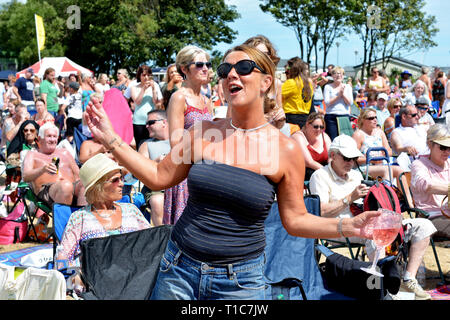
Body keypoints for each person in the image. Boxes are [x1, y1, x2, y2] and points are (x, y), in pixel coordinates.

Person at [83, 44, 381, 300]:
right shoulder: (203, 132)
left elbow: (295, 219)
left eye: (244, 67)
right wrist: (111, 139)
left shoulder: (285, 149)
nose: (231, 75)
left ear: (266, 82)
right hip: (178, 269)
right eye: (225, 70)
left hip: (240, 282)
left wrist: (349, 227)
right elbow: (159, 176)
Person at [309, 134, 435, 300]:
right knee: (377, 235)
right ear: (332, 155)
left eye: (353, 159)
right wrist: (349, 198)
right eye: (347, 158)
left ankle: (408, 279)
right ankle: (381, 289)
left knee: (423, 225)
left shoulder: (355, 175)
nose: (351, 163)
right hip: (338, 228)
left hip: (365, 224)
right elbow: (320, 212)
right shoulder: (319, 176)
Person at [55, 153, 151, 291]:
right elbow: (62, 256)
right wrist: (73, 278)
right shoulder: (80, 218)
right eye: (115, 180)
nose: (122, 184)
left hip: (135, 281)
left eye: (122, 178)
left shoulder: (132, 210)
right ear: (98, 186)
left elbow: (151, 242)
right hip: (97, 286)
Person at [163, 45, 213, 226]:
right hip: (185, 173)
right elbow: (175, 141)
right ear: (184, 69)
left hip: (206, 169)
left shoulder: (208, 101)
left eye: (207, 64)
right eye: (199, 64)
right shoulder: (179, 98)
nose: (205, 68)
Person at [22, 122, 87, 208]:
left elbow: (78, 175)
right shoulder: (32, 154)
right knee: (65, 186)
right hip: (47, 192)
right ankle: (64, 220)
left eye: (54, 136)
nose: (52, 140)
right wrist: (43, 169)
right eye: (49, 136)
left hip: (71, 187)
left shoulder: (65, 152)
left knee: (84, 184)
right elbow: (25, 176)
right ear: (40, 138)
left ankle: (83, 218)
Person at [411, 124, 450, 238]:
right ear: (429, 144)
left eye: (449, 148)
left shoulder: (449, 164)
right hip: (431, 217)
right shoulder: (419, 165)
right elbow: (428, 186)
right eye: (442, 147)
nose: (446, 152)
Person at [138, 110, 171, 226]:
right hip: (156, 189)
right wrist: (155, 162)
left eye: (151, 122)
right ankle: (162, 238)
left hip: (180, 186)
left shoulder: (179, 140)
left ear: (164, 122)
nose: (146, 126)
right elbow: (139, 171)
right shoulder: (146, 145)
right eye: (146, 123)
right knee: (157, 201)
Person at [352, 108, 403, 181]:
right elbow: (353, 158)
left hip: (381, 164)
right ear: (363, 120)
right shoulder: (358, 135)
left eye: (376, 117)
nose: (375, 120)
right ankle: (387, 192)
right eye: (371, 118)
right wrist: (372, 160)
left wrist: (382, 155)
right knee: (386, 170)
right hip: (365, 167)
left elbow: (390, 152)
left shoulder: (380, 132)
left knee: (399, 170)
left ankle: (404, 192)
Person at [291, 112, 331, 181]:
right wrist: (328, 172)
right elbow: (309, 162)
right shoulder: (298, 137)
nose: (319, 130)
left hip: (322, 172)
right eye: (315, 127)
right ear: (307, 124)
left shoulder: (324, 136)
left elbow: (331, 157)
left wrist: (333, 170)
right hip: (305, 174)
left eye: (321, 127)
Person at [130, 65, 163, 148]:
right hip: (138, 121)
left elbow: (156, 102)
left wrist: (153, 89)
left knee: (152, 144)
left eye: (148, 75)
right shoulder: (134, 87)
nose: (146, 77)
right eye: (144, 75)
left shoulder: (155, 85)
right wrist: (143, 89)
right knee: (139, 145)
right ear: (139, 76)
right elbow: (137, 102)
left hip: (151, 120)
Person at [390, 104, 429, 172]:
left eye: (417, 114)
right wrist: (406, 149)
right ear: (404, 116)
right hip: (413, 164)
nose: (417, 117)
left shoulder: (421, 128)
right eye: (414, 115)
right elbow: (398, 148)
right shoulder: (397, 132)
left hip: (429, 160)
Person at [281, 57, 313, 128]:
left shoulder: (291, 82)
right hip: (305, 117)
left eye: (289, 68)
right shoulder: (308, 84)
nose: (287, 70)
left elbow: (276, 96)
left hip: (291, 118)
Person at [323, 66, 353, 140]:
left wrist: (343, 95)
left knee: (345, 140)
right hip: (331, 116)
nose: (338, 75)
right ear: (332, 76)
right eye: (335, 74)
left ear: (343, 76)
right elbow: (327, 103)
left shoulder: (348, 87)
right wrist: (338, 96)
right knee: (333, 139)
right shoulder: (327, 87)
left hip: (344, 116)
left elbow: (350, 103)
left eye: (340, 74)